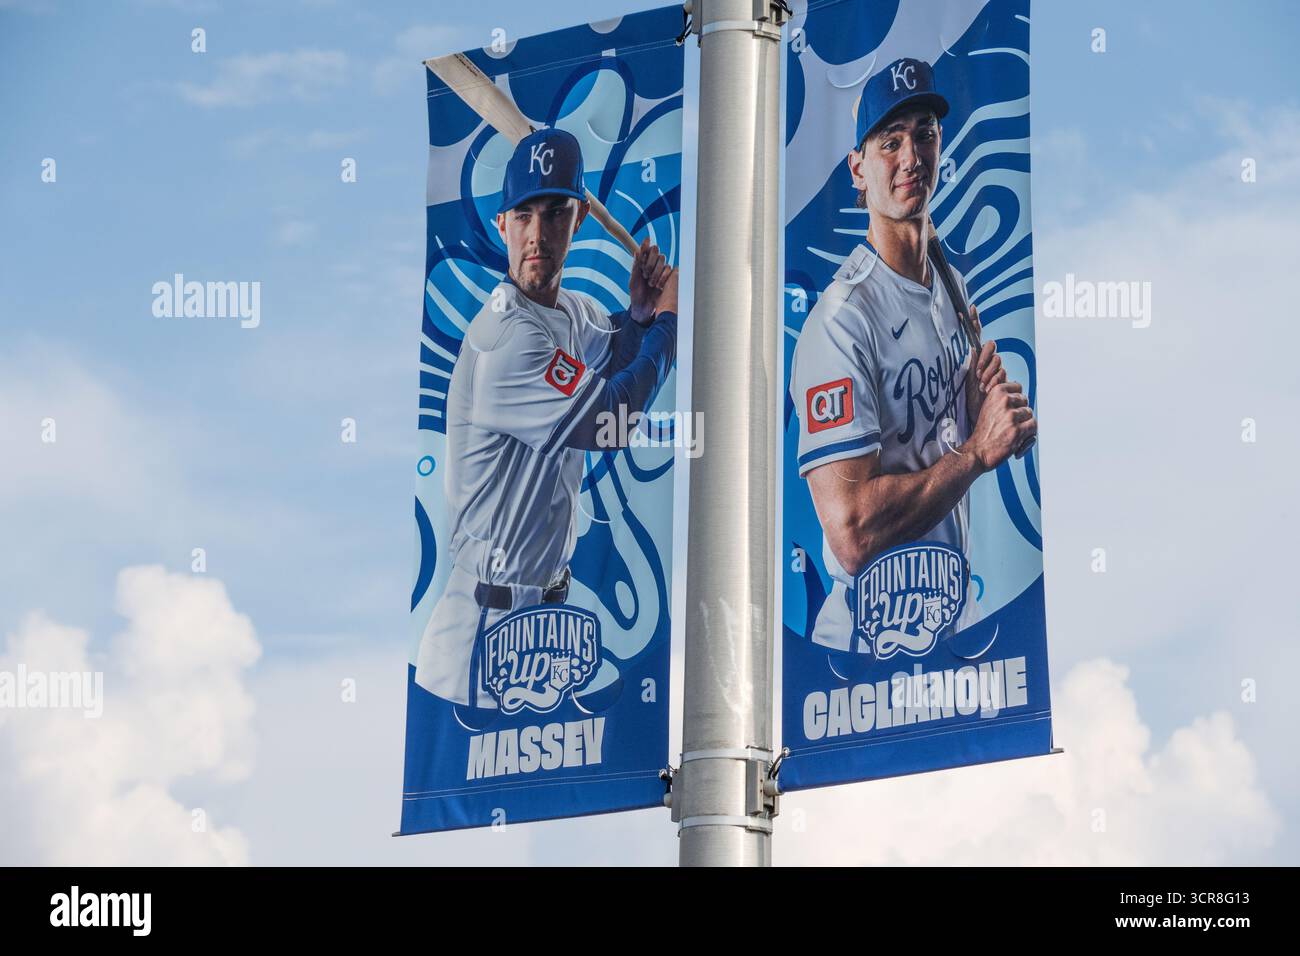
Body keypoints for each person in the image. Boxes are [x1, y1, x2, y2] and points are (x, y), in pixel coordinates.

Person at [790, 58, 1036, 652]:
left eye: (924, 133)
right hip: (868, 648)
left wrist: (976, 415)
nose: (911, 158)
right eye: (890, 141)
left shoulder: (950, 285)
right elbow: (851, 532)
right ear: (858, 168)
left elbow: (936, 438)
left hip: (952, 620)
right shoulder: (842, 319)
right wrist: (977, 453)